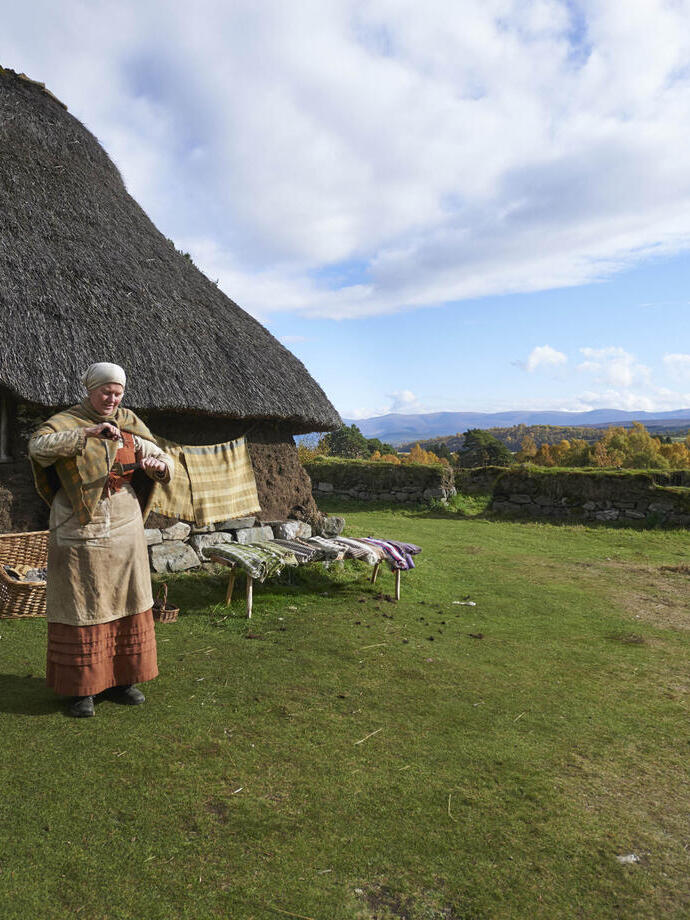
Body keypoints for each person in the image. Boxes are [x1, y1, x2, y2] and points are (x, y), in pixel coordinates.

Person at [29, 362, 173, 718]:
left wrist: (159, 466)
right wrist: (88, 433)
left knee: (126, 596)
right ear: (90, 390)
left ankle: (123, 681)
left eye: (118, 393)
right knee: (84, 599)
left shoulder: (128, 422)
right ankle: (82, 689)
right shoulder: (68, 421)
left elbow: (159, 454)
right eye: (106, 392)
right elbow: (37, 447)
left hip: (124, 523)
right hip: (78, 525)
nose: (112, 399)